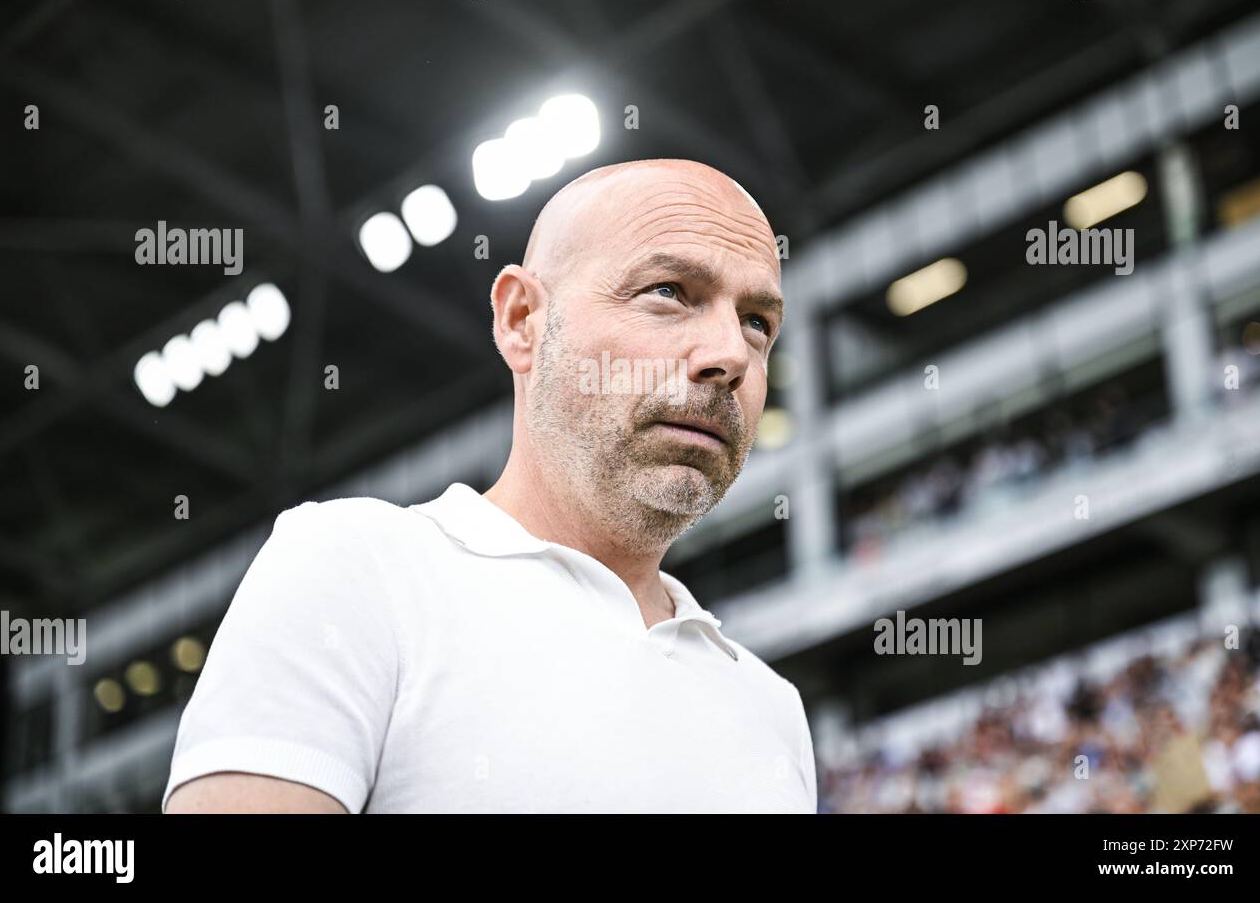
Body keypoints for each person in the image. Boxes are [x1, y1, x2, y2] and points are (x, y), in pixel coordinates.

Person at [162, 158, 817, 812]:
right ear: (522, 319)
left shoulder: (772, 709)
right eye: (670, 291)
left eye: (758, 322)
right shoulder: (356, 568)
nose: (731, 354)